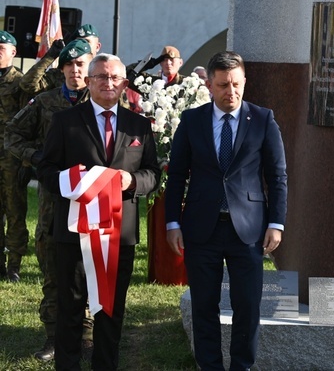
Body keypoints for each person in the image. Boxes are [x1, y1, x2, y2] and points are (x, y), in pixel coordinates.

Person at [164, 51, 288, 369]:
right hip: (201, 228)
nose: (229, 92)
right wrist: (172, 223)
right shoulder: (192, 121)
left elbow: (276, 176)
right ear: (209, 84)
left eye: (235, 84)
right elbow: (176, 174)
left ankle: (241, 367)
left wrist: (277, 222)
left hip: (248, 231)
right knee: (204, 305)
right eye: (222, 85)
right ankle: (210, 366)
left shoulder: (263, 119)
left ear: (244, 82)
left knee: (246, 306)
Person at [37, 53, 159, 370]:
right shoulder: (66, 121)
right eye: (101, 77)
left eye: (114, 77)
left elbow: (153, 175)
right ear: (89, 82)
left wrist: (132, 180)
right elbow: (46, 169)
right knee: (71, 307)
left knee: (111, 309)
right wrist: (72, 182)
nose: (108, 83)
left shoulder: (140, 125)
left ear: (124, 84)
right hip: (75, 232)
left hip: (120, 234)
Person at [5, 40, 95, 361]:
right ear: (62, 69)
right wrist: (38, 158)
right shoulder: (44, 102)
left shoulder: (102, 102)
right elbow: (12, 135)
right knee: (54, 268)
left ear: (90, 66)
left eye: (81, 65)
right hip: (53, 199)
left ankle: (85, 337)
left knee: (88, 268)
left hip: (91, 199)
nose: (75, 71)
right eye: (69, 65)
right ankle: (53, 338)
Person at [0, 30, 29, 283]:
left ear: (13, 52)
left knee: (15, 211)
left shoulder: (21, 82)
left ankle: (14, 265)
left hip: (11, 158)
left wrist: (25, 161)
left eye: (2, 48)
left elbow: (29, 123)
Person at [19, 24, 102, 96]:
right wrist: (50, 57)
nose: (81, 45)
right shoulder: (61, 73)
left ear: (97, 47)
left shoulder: (104, 73)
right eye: (78, 41)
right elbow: (28, 84)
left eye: (86, 42)